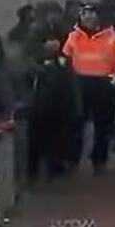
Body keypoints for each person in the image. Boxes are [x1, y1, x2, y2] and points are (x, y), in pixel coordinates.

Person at [61, 4, 115, 172]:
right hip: (79, 83)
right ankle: (72, 158)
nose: (88, 18)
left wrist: (113, 78)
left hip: (103, 84)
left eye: (91, 14)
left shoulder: (114, 38)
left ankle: (99, 159)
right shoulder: (74, 36)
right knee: (76, 122)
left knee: (103, 125)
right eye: (85, 14)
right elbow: (66, 58)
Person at [25, 34, 81, 181]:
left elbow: (70, 84)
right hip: (38, 108)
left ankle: (54, 167)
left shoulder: (64, 62)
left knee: (56, 140)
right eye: (49, 42)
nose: (53, 45)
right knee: (35, 142)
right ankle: (33, 171)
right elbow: (27, 78)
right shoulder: (34, 61)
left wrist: (74, 106)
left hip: (58, 108)